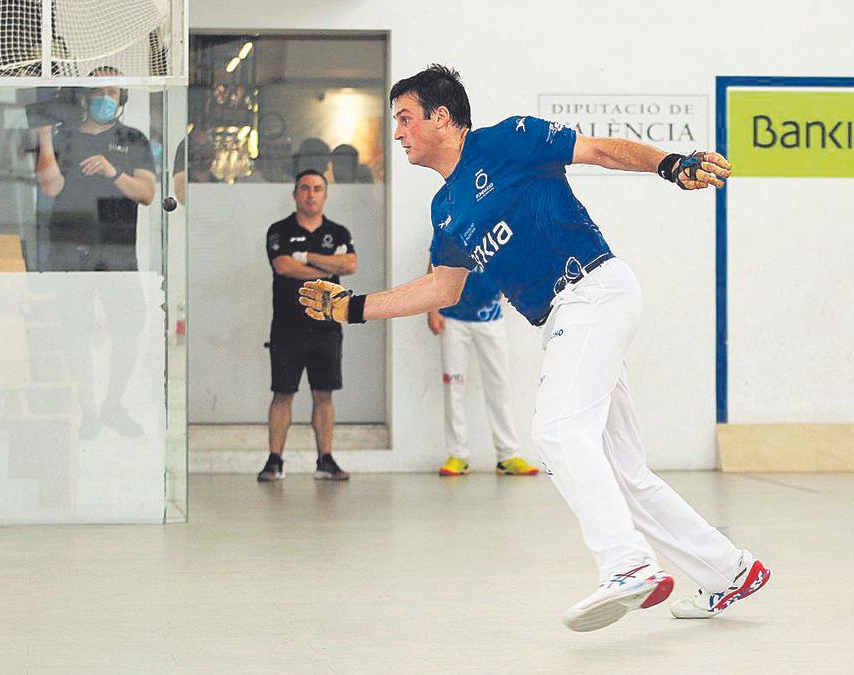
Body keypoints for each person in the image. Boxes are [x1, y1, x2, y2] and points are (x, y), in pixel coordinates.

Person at [297, 65, 769, 632]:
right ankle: (730, 570)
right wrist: (353, 306)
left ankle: (628, 564)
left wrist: (672, 165)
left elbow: (601, 152)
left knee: (557, 433)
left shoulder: (510, 139)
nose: (397, 134)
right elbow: (443, 288)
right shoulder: (445, 209)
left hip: (594, 289)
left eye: (405, 119)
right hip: (568, 316)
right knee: (626, 470)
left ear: (441, 118)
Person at [34, 67, 156, 438]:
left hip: (117, 249)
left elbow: (147, 194)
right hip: (70, 249)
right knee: (75, 332)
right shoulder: (64, 137)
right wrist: (43, 135)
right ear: (85, 95)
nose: (105, 96)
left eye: (113, 91)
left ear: (122, 99)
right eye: (98, 90)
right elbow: (50, 186)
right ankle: (88, 410)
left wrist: (112, 172)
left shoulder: (133, 139)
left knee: (128, 330)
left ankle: (113, 404)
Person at [257, 168, 356, 482]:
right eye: (304, 188)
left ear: (325, 195)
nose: (311, 194)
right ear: (295, 194)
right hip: (287, 328)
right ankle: (274, 461)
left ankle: (325, 460)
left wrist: (308, 257)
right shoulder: (279, 230)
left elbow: (350, 264)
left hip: (327, 326)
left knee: (323, 395)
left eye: (317, 188)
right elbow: (283, 266)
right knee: (283, 394)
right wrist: (327, 265)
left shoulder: (338, 232)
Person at [427, 266, 538, 477]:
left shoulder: (499, 231)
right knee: (454, 389)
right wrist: (432, 310)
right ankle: (458, 456)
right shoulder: (445, 232)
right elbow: (433, 270)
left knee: (500, 388)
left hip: (491, 318)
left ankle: (508, 456)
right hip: (452, 319)